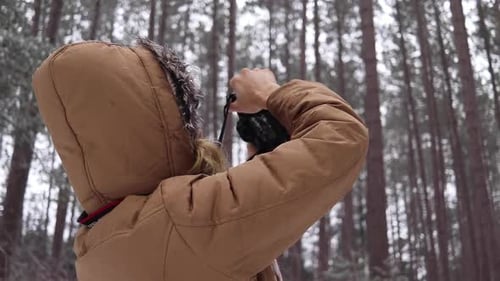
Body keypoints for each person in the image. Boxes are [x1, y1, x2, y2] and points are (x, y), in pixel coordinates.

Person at [32, 39, 368, 281]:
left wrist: (260, 160)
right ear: (157, 117)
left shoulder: (97, 243)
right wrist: (270, 94)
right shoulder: (187, 221)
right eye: (180, 105)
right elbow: (342, 136)